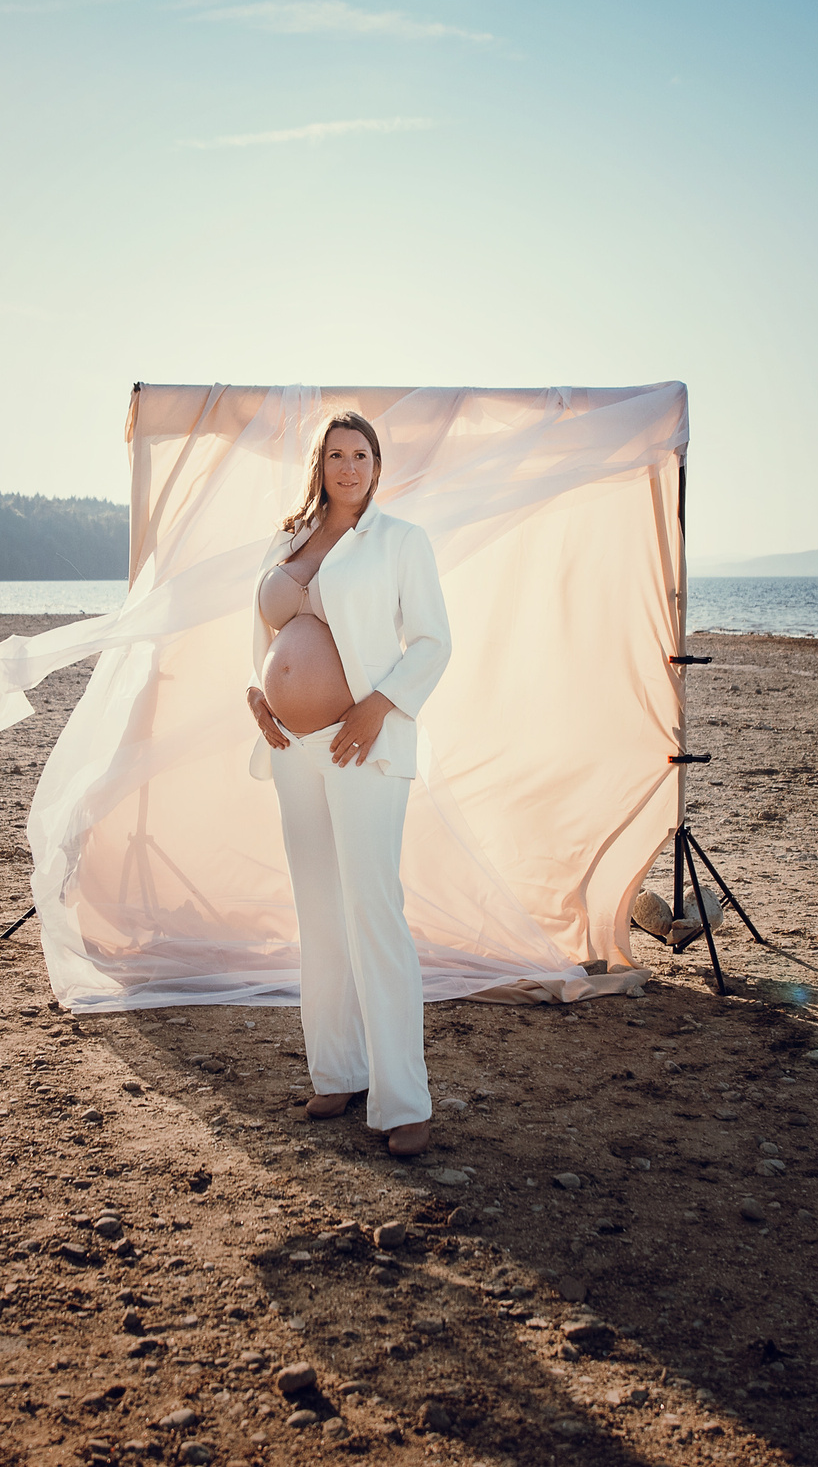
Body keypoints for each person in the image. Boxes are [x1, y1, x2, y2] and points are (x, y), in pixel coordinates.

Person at [245, 411, 451, 1157]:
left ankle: (404, 1101)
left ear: (377, 463)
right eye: (335, 453)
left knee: (373, 909)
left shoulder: (400, 542)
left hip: (360, 744)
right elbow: (262, 640)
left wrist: (378, 705)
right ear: (321, 462)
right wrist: (257, 692)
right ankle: (337, 1070)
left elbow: (433, 640)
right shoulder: (287, 540)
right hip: (292, 747)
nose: (348, 465)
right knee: (319, 911)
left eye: (360, 453)